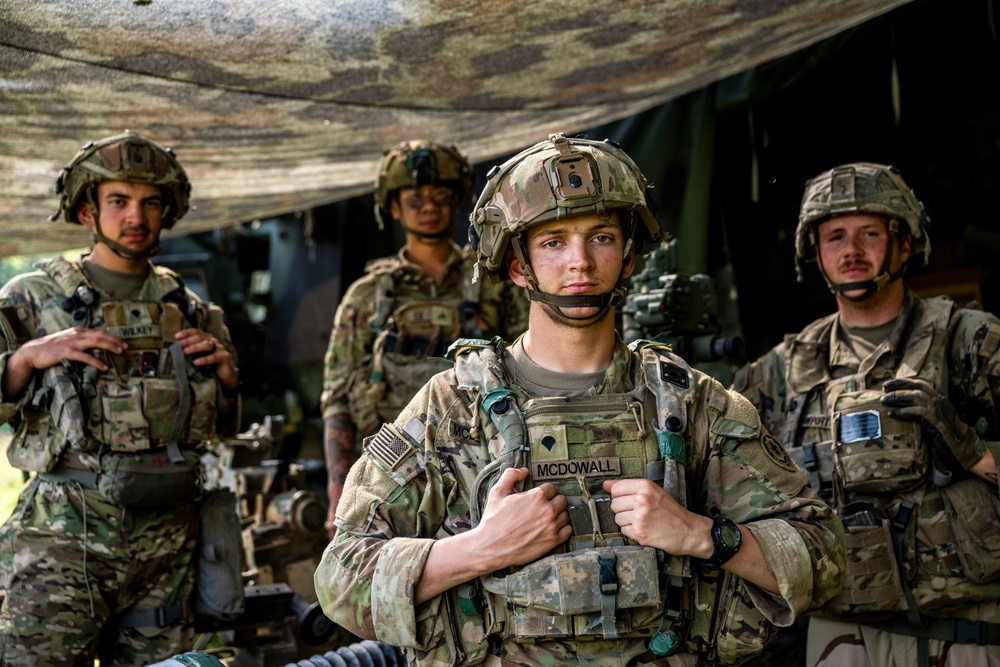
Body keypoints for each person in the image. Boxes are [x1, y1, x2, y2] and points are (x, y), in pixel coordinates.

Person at [315, 133, 845, 667]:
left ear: (630, 254)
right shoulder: (451, 409)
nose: (580, 263)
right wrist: (479, 549)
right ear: (518, 266)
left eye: (601, 237)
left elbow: (824, 558)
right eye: (552, 242)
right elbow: (341, 579)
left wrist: (700, 534)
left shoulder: (690, 406)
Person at [734, 162, 1000, 667]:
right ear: (815, 253)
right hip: (843, 636)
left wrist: (973, 451)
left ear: (904, 243)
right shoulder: (779, 371)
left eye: (869, 233)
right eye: (834, 236)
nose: (851, 251)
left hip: (969, 629)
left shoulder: (971, 341)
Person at [0, 131, 240, 665]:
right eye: (119, 201)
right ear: (87, 211)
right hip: (66, 538)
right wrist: (26, 358)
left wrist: (226, 380)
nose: (137, 215)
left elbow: (219, 430)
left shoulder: (193, 308)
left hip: (167, 546)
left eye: (150, 202)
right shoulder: (30, 298)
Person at [319, 139, 527, 534]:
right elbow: (338, 399)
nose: (428, 207)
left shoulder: (493, 282)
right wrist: (337, 488)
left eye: (441, 196)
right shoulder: (367, 296)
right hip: (390, 477)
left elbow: (529, 372)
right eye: (415, 199)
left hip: (484, 470)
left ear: (457, 202)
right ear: (394, 208)